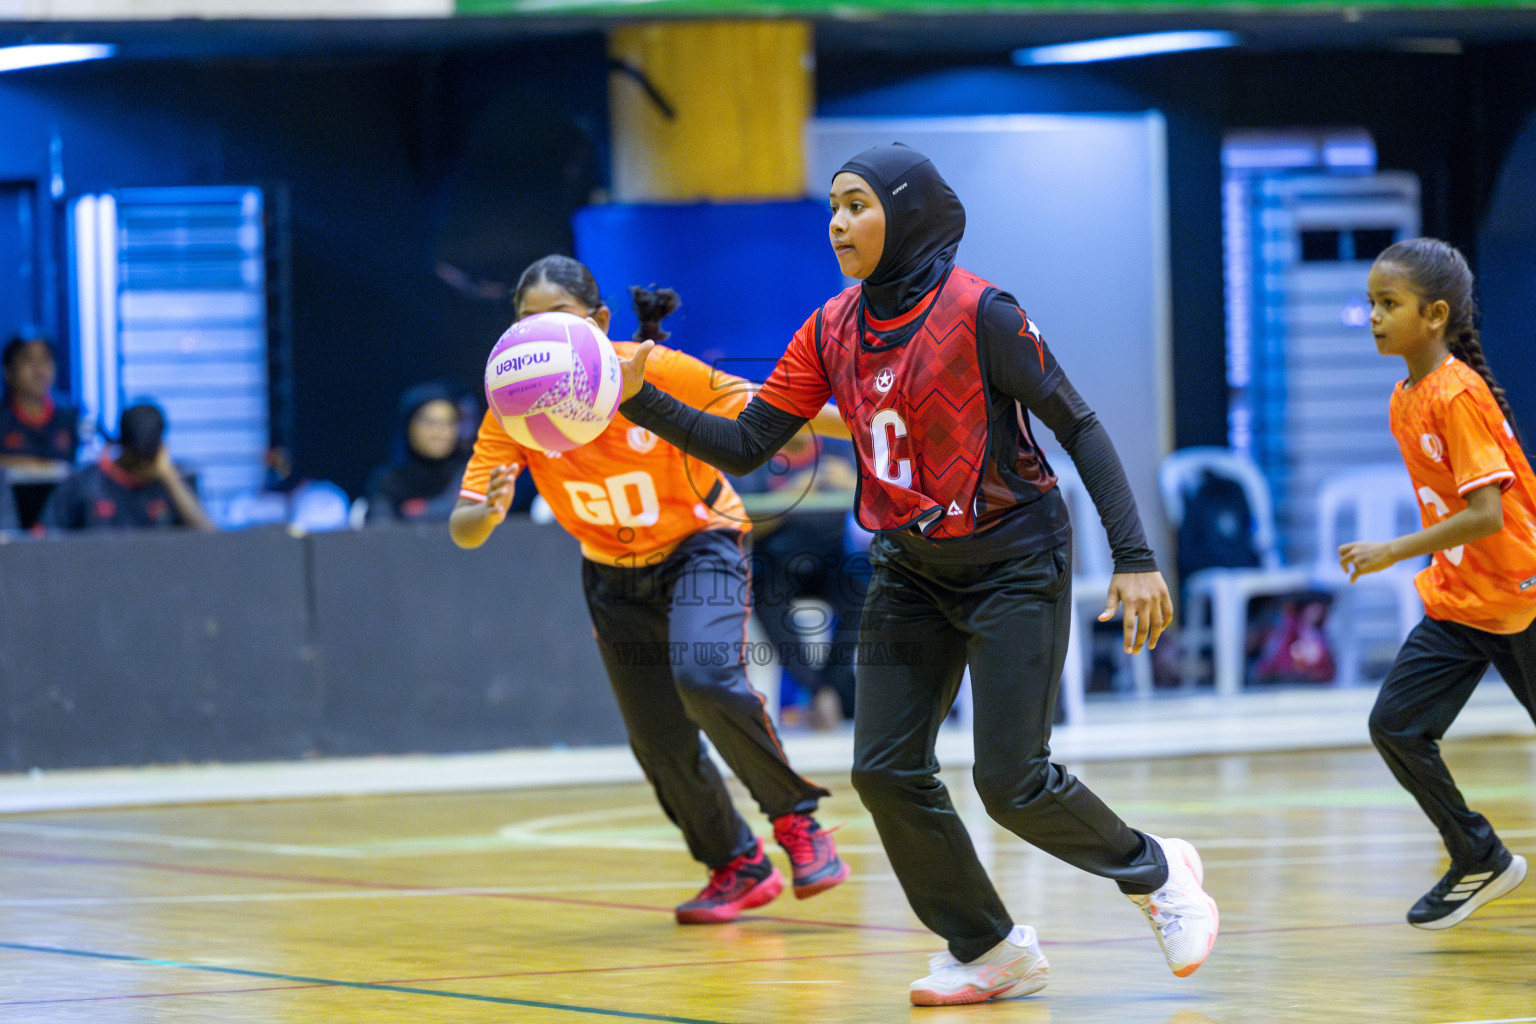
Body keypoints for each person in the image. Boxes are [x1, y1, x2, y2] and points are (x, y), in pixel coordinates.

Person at [617, 144, 1218, 1005]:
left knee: (1012, 782)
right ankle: (989, 948)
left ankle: (1159, 873)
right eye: (831, 207)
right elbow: (749, 443)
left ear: (910, 212)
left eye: (857, 204)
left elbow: (1079, 427)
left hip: (1016, 557)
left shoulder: (984, 312)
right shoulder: (830, 328)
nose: (837, 223)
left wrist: (1135, 557)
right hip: (910, 568)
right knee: (886, 771)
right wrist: (634, 395)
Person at [449, 255, 850, 925]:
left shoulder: (652, 370)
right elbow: (464, 530)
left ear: (600, 323)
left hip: (701, 546)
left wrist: (876, 424)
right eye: (526, 321)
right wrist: (483, 513)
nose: (541, 335)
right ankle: (736, 864)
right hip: (610, 572)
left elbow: (769, 411)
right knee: (658, 740)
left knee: (705, 676)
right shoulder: (513, 402)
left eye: (559, 319)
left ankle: (797, 819)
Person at [1340, 237, 1533, 929]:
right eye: (1371, 303)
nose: (1373, 316)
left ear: (1436, 314)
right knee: (1396, 725)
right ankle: (1477, 855)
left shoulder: (1458, 393)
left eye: (1388, 304)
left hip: (1523, 592)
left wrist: (1394, 549)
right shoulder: (1406, 395)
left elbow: (1486, 515)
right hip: (1464, 597)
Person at [742, 430, 865, 729]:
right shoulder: (757, 455)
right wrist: (793, 494)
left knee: (864, 592)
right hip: (777, 562)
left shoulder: (839, 447)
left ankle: (831, 689)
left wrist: (851, 484)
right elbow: (747, 525)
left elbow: (878, 502)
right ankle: (822, 692)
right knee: (766, 597)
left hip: (831, 559)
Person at [38, 402, 214, 532]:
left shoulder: (175, 482)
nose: (142, 464)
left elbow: (210, 539)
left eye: (149, 455)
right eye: (137, 454)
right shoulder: (82, 483)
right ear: (122, 446)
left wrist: (169, 478)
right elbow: (43, 539)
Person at [364, 382, 471, 524]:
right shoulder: (387, 481)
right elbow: (379, 533)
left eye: (448, 423)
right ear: (409, 426)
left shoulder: (472, 474)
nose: (439, 431)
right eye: (429, 422)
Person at [0, 333, 79, 474]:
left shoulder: (72, 415)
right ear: (8, 371)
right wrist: (34, 467)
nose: (39, 368)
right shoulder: (3, 417)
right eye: (27, 359)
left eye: (46, 359)